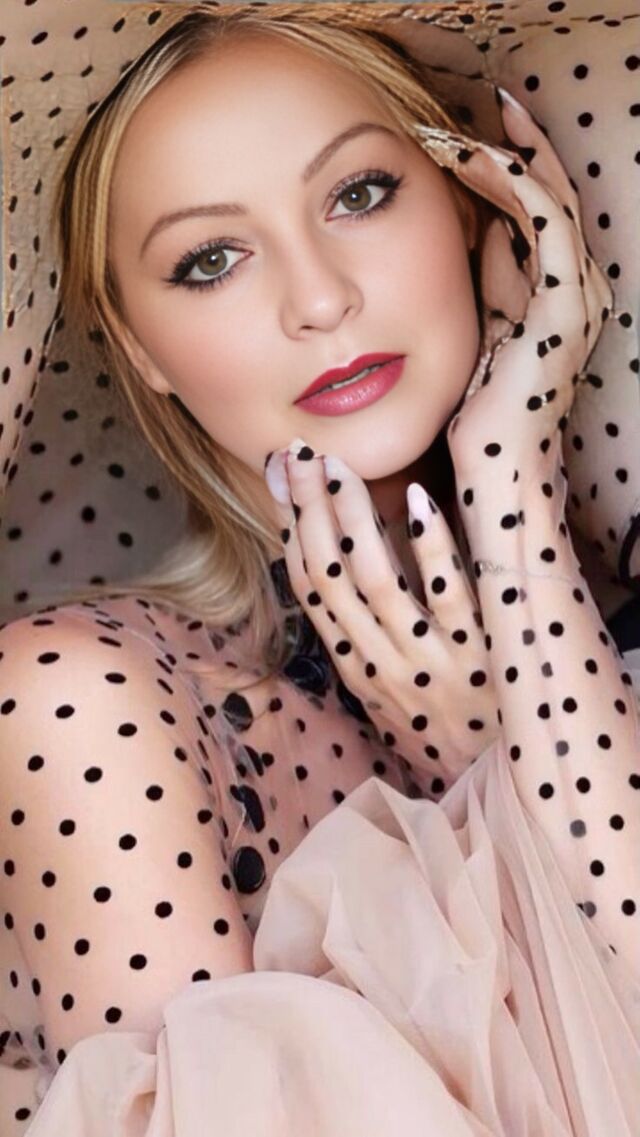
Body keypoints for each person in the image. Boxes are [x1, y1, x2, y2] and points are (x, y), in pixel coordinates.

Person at [0, 5, 638, 1134]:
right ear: (139, 344)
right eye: (210, 260)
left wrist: (512, 489)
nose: (320, 298)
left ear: (474, 204)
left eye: (359, 193)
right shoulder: (84, 705)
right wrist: (479, 779)